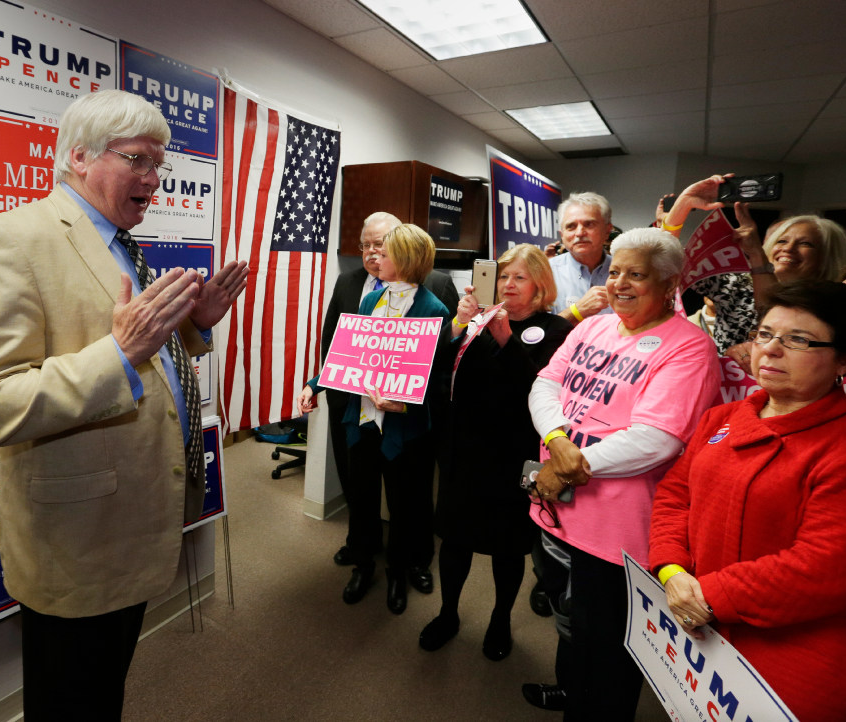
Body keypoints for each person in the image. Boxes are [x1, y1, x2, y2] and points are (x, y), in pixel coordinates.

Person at [0, 90, 249, 720]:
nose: (153, 180)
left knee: (100, 697)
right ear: (79, 158)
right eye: (138, 160)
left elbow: (144, 357)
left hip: (130, 531)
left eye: (158, 165)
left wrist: (193, 328)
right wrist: (117, 351)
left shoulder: (122, 243)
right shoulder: (12, 239)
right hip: (75, 548)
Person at [650, 281, 846, 722]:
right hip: (699, 631)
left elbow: (823, 568)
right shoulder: (724, 418)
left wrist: (708, 594)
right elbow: (676, 496)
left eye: (798, 340)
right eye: (765, 334)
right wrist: (672, 569)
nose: (769, 351)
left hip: (788, 658)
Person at [521, 228, 720, 719]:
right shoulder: (594, 327)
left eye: (638, 274)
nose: (621, 284)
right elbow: (545, 384)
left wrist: (568, 467)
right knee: (568, 621)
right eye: (616, 272)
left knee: (610, 647)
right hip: (557, 512)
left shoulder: (690, 348)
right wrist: (558, 442)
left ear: (671, 283)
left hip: (616, 536)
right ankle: (569, 693)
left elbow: (657, 440)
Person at [418, 244, 571, 661]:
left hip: (512, 454)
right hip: (462, 451)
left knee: (507, 548)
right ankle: (448, 614)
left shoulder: (555, 329)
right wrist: (459, 325)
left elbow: (538, 391)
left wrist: (505, 338)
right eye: (503, 276)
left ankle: (501, 619)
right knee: (454, 540)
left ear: (540, 284)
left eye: (519, 277)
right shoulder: (473, 322)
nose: (507, 284)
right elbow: (436, 370)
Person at [299, 224, 451, 615]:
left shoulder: (434, 310)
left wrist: (406, 406)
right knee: (362, 501)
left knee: (402, 508)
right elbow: (346, 356)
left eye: (384, 253)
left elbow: (436, 381)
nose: (375, 258)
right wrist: (315, 384)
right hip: (362, 420)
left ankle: (397, 573)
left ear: (406, 260)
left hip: (404, 429)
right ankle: (364, 566)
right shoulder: (370, 302)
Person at [662, 175, 846, 359]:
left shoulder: (835, 302)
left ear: (827, 255)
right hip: (729, 389)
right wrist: (684, 204)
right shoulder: (735, 284)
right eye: (782, 240)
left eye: (806, 244)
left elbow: (772, 309)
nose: (788, 248)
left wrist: (757, 256)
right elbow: (666, 262)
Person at [549, 192, 614, 326]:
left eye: (589, 224)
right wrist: (576, 311)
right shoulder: (545, 273)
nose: (579, 233)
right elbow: (536, 333)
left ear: (607, 230)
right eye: (571, 226)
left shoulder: (627, 273)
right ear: (562, 235)